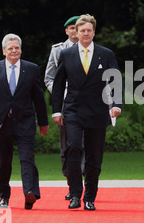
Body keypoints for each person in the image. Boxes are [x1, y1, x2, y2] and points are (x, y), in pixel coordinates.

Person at [51, 14, 122, 210]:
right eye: (82, 30)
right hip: (73, 110)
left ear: (93, 32)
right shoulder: (66, 54)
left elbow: (115, 80)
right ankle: (75, 194)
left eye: (89, 30)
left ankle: (89, 197)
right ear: (76, 32)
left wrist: (116, 104)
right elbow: (58, 86)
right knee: (73, 148)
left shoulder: (105, 54)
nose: (85, 33)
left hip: (98, 111)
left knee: (94, 156)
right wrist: (56, 110)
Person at [0, 33, 49, 209]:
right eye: (10, 48)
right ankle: (3, 196)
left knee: (27, 158)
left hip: (24, 121)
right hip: (0, 122)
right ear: (4, 51)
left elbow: (38, 97)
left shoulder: (31, 69)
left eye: (17, 47)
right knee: (2, 162)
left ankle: (29, 193)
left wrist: (43, 121)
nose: (14, 50)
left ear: (21, 50)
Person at [44, 16, 85, 200]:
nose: (75, 31)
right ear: (66, 31)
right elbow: (49, 78)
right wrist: (61, 92)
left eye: (78, 27)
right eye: (71, 28)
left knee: (86, 144)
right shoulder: (57, 51)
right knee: (67, 146)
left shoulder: (90, 50)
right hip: (65, 104)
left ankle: (84, 182)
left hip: (86, 103)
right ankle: (71, 184)